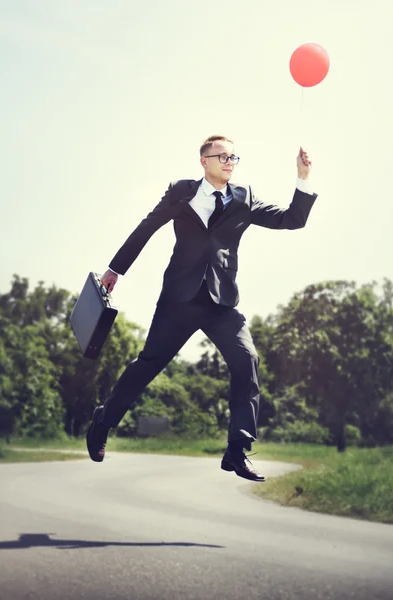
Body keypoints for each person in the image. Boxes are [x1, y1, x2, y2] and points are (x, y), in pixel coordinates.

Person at [87, 135, 317, 482]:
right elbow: (146, 228)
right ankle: (103, 421)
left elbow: (291, 219)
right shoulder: (182, 192)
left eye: (233, 157)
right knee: (148, 364)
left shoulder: (244, 198)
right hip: (179, 299)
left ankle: (237, 450)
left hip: (222, 302)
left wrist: (302, 178)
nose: (229, 161)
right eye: (221, 156)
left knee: (247, 360)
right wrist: (115, 270)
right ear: (204, 161)